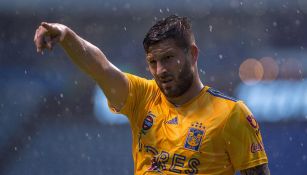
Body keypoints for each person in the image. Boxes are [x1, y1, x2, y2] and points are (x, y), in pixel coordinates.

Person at [34, 15, 270, 175]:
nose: (160, 71)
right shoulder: (143, 97)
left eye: (168, 58)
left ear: (193, 54)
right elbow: (101, 67)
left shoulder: (232, 114)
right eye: (152, 62)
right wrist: (66, 35)